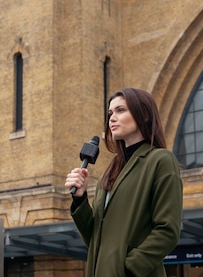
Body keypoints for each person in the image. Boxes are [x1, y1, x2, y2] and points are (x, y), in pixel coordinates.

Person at [65, 87, 183, 277]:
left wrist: (129, 268)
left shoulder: (161, 161)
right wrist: (80, 199)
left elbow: (168, 230)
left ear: (144, 115)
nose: (112, 118)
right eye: (110, 113)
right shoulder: (110, 172)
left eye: (121, 110)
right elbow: (94, 237)